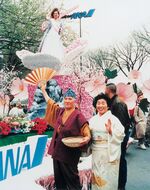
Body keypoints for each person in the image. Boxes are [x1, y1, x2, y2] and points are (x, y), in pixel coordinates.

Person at [40, 83, 91, 190]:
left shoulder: (78, 114)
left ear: (74, 100)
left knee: (72, 180)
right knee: (59, 180)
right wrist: (43, 91)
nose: (67, 101)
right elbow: (50, 103)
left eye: (70, 98)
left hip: (69, 153)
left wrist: (87, 137)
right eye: (66, 98)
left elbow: (85, 127)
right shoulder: (61, 111)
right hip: (57, 151)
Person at [89, 93, 125, 190]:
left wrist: (111, 131)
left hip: (108, 152)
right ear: (95, 105)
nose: (100, 105)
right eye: (98, 103)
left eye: (103, 103)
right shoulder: (92, 120)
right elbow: (89, 135)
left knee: (107, 176)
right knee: (97, 175)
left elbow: (121, 134)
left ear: (108, 105)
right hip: (96, 151)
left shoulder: (113, 119)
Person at [105, 83, 131, 190]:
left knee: (120, 161)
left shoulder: (118, 104)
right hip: (117, 137)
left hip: (119, 138)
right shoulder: (114, 102)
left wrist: (115, 137)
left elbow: (120, 125)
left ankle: (121, 186)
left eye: (105, 90)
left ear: (108, 90)